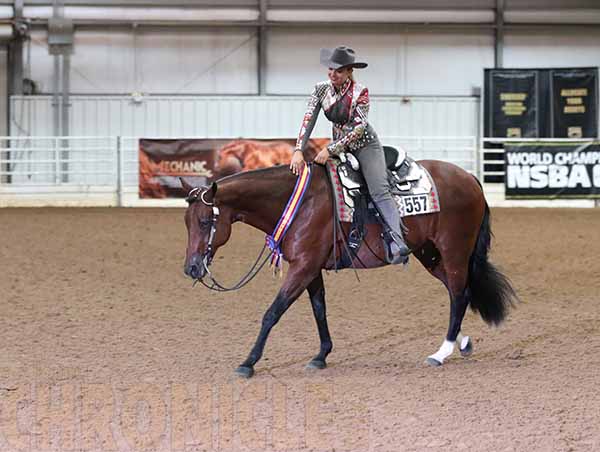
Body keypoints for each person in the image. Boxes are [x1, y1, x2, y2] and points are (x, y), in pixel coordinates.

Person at [290, 45, 410, 264]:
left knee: (379, 188)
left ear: (348, 72)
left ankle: (396, 241)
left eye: (338, 70)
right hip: (338, 143)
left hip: (364, 144)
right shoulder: (320, 89)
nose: (332, 74)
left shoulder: (360, 92)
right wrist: (298, 149)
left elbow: (358, 129)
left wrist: (330, 149)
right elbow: (308, 118)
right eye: (330, 69)